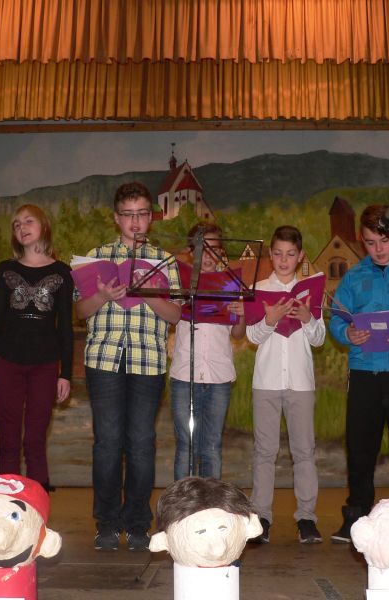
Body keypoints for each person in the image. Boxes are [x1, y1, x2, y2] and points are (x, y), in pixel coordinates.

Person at [75, 181, 181, 552]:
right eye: (127, 215)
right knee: (107, 443)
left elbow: (175, 315)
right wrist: (102, 295)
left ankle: (137, 524)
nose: (135, 222)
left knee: (141, 444)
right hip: (103, 357)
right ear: (116, 218)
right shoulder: (96, 256)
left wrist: (147, 294)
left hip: (147, 360)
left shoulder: (164, 261)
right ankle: (106, 523)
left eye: (141, 214)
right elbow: (80, 311)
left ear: (151, 217)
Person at [329, 205, 389, 544]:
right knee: (360, 449)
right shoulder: (354, 276)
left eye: (384, 241)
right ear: (362, 240)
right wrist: (348, 333)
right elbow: (337, 318)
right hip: (364, 372)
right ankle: (356, 517)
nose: (378, 249)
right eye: (371, 243)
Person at [0, 204, 73, 493]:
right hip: (8, 362)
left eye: (28, 221)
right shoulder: (6, 270)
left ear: (43, 226)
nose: (22, 227)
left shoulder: (62, 272)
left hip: (45, 365)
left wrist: (66, 373)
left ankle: (37, 500)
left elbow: (65, 326)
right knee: (8, 438)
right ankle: (7, 499)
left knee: (35, 438)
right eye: (16, 224)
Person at [243, 225, 325, 544]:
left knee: (304, 452)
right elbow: (252, 336)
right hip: (266, 380)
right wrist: (270, 318)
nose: (284, 259)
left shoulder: (310, 290)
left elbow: (318, 339)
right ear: (270, 254)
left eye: (290, 254)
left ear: (300, 256)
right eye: (278, 253)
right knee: (265, 451)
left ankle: (306, 518)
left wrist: (307, 318)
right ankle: (261, 517)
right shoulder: (259, 288)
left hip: (301, 382)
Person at [170, 222, 246, 480]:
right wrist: (178, 300)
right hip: (184, 374)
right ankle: (183, 501)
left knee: (212, 446)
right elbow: (170, 318)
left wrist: (242, 314)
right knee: (186, 446)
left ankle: (211, 500)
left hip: (218, 375)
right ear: (191, 252)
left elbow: (237, 334)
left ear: (221, 251)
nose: (208, 256)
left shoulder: (230, 284)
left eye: (214, 249)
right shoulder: (180, 284)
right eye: (202, 249)